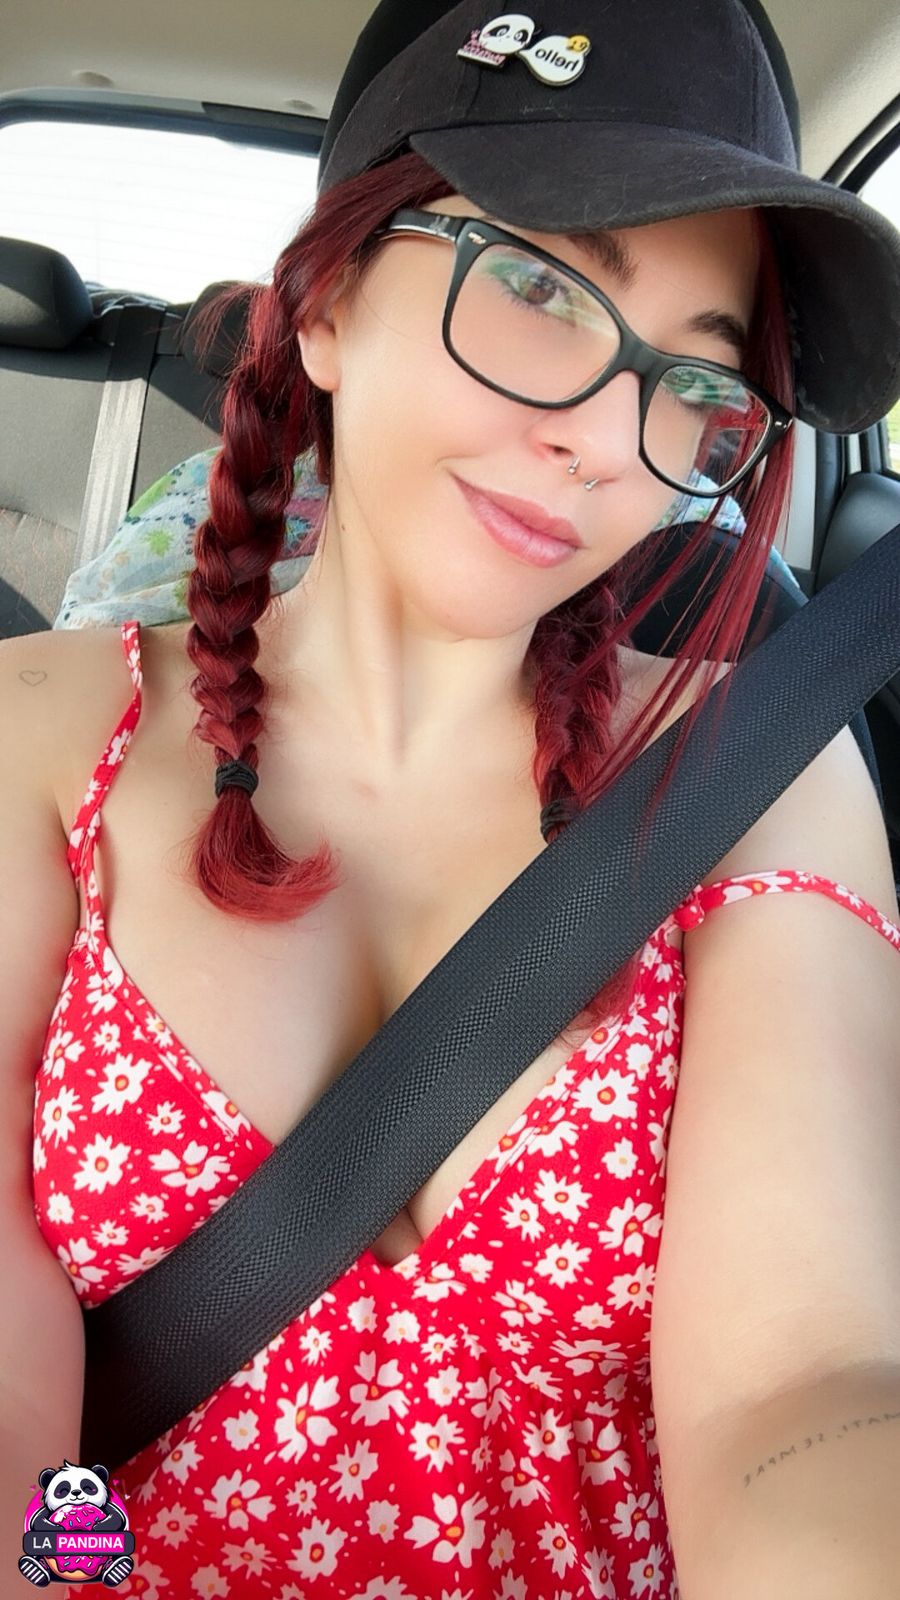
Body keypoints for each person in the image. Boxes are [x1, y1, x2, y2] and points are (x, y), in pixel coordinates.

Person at [4, 1, 900, 1595]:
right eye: (541, 288)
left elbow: (803, 1388)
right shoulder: (37, 737)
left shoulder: (753, 772)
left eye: (695, 383)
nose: (605, 444)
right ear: (332, 299)